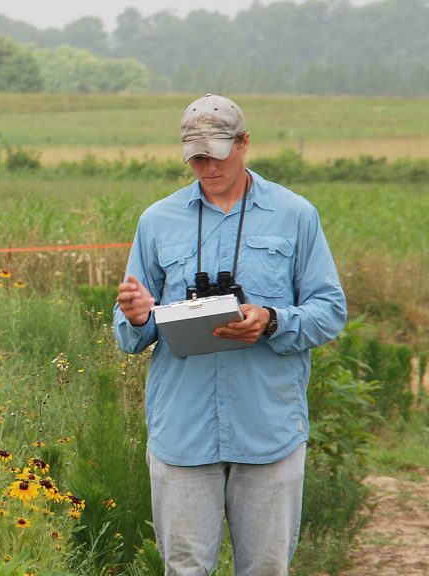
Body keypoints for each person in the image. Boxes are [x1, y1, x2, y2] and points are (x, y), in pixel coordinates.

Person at [113, 94, 347, 576]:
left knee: (264, 568)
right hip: (182, 427)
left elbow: (330, 311)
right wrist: (138, 317)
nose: (206, 166)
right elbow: (129, 334)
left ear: (243, 144)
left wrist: (272, 319)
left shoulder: (295, 214)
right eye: (195, 156)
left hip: (268, 427)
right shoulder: (156, 220)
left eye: (216, 153)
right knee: (184, 568)